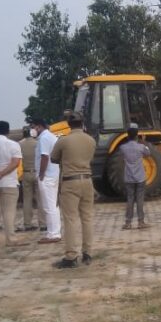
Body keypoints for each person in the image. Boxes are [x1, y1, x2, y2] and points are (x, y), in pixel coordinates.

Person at [49, 112, 96, 268]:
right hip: (87, 180)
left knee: (70, 219)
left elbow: (53, 158)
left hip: (70, 182)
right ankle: (88, 252)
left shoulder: (64, 140)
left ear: (69, 124)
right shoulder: (91, 140)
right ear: (82, 123)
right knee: (87, 218)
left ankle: (71, 256)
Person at [0, 121, 23, 246]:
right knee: (9, 212)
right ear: (8, 130)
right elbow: (15, 163)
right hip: (9, 182)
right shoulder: (13, 144)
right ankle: (10, 238)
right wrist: (2, 173)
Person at [30, 118, 61, 243]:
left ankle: (53, 234)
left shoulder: (43, 138)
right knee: (53, 205)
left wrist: (41, 174)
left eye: (33, 127)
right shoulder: (50, 136)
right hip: (53, 174)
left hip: (47, 176)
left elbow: (44, 157)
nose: (32, 130)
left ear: (38, 127)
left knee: (49, 207)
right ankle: (54, 232)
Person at [119, 123, 151, 230]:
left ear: (127, 136)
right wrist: (143, 141)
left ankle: (128, 223)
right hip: (140, 177)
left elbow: (121, 154)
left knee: (130, 199)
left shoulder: (123, 147)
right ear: (137, 136)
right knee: (140, 199)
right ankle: (141, 222)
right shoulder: (141, 147)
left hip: (128, 178)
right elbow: (148, 153)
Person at [18, 126, 44, 232]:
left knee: (27, 199)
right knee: (40, 199)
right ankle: (42, 223)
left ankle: (27, 223)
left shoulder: (20, 144)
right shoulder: (37, 143)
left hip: (26, 173)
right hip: (37, 173)